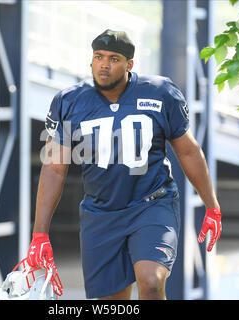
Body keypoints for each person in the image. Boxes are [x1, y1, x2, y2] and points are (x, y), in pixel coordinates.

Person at [25, 29, 222, 300]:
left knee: (151, 282)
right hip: (101, 213)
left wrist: (212, 206)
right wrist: (39, 234)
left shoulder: (160, 92)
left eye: (113, 58)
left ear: (129, 64)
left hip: (151, 204)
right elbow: (54, 168)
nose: (104, 65)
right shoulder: (69, 101)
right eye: (98, 57)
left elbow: (188, 151)